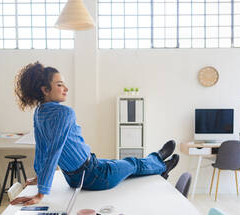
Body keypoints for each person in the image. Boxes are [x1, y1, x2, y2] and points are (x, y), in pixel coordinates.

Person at [10, 61, 179, 206]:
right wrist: (41, 193)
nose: (66, 88)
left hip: (78, 175)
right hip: (93, 175)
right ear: (45, 90)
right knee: (132, 163)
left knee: (123, 165)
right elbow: (53, 150)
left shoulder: (39, 113)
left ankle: (158, 164)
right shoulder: (64, 113)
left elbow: (41, 148)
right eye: (60, 84)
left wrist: (40, 177)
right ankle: (161, 163)